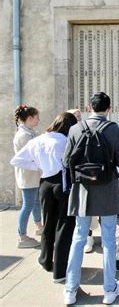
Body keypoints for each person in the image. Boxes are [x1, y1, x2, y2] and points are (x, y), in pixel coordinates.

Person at [62, 92, 119, 305]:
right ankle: (109, 290)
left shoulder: (74, 128)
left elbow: (65, 161)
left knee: (79, 237)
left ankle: (70, 290)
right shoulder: (113, 129)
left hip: (82, 189)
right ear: (109, 109)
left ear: (89, 107)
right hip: (107, 188)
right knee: (109, 239)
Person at [11, 112, 78, 283]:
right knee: (64, 226)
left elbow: (17, 160)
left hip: (45, 184)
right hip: (63, 184)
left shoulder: (37, 139)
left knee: (48, 224)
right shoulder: (65, 141)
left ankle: (46, 260)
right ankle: (60, 271)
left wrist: (38, 166)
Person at [12, 104, 42, 248]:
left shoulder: (30, 132)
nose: (38, 120)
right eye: (36, 117)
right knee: (27, 205)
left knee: (35, 202)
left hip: (33, 175)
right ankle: (22, 236)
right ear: (29, 118)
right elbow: (31, 156)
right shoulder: (24, 135)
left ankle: (39, 226)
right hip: (28, 176)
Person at [67, 108, 95, 253]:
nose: (78, 118)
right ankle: (87, 239)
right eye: (75, 116)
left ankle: (89, 239)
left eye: (79, 115)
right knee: (83, 213)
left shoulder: (86, 128)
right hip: (78, 178)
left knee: (89, 213)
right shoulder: (71, 131)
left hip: (88, 176)